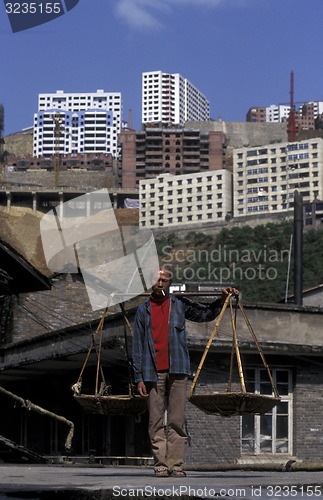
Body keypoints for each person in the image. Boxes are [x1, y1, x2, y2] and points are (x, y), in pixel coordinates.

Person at [132, 266, 239, 477]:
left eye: (164, 281)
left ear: (170, 284)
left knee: (177, 419)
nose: (160, 284)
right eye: (156, 280)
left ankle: (176, 464)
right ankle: (160, 464)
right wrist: (138, 377)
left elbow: (205, 314)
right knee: (155, 420)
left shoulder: (179, 304)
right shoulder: (142, 311)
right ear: (150, 284)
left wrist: (220, 299)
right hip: (151, 372)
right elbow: (137, 346)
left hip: (178, 369)